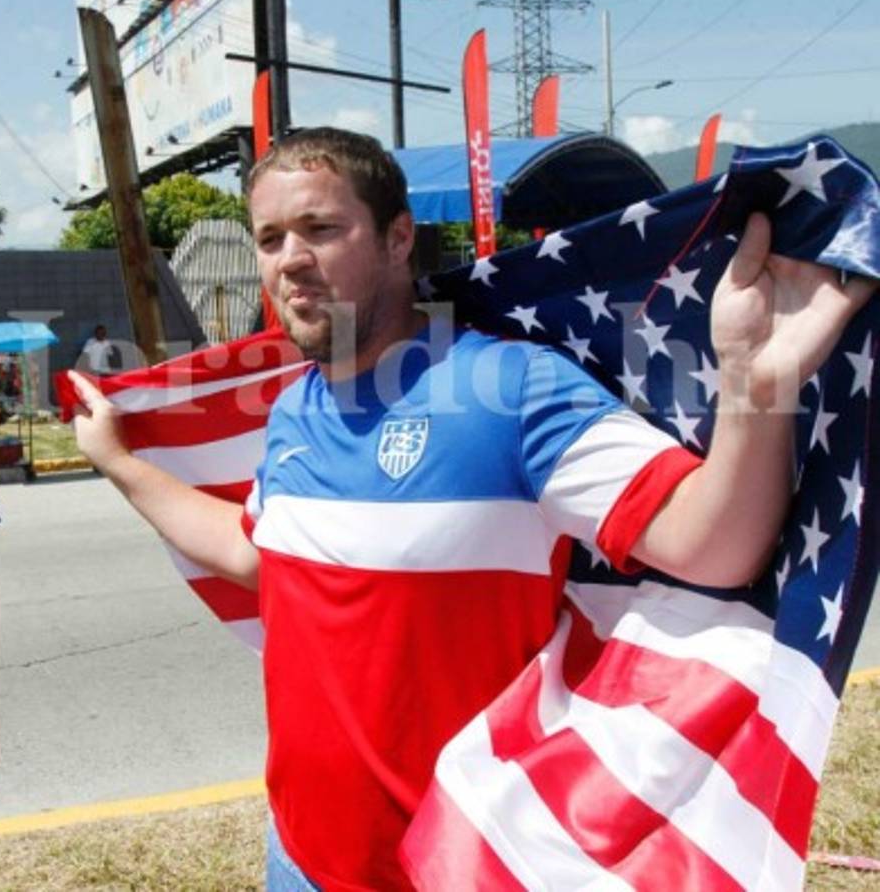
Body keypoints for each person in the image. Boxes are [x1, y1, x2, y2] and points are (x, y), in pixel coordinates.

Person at [68, 128, 873, 890]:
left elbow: (712, 549)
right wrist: (119, 464)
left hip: (463, 863)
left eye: (320, 227)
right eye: (270, 237)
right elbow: (255, 556)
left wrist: (753, 384)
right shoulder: (292, 411)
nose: (291, 261)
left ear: (396, 238)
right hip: (300, 855)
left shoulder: (509, 388)